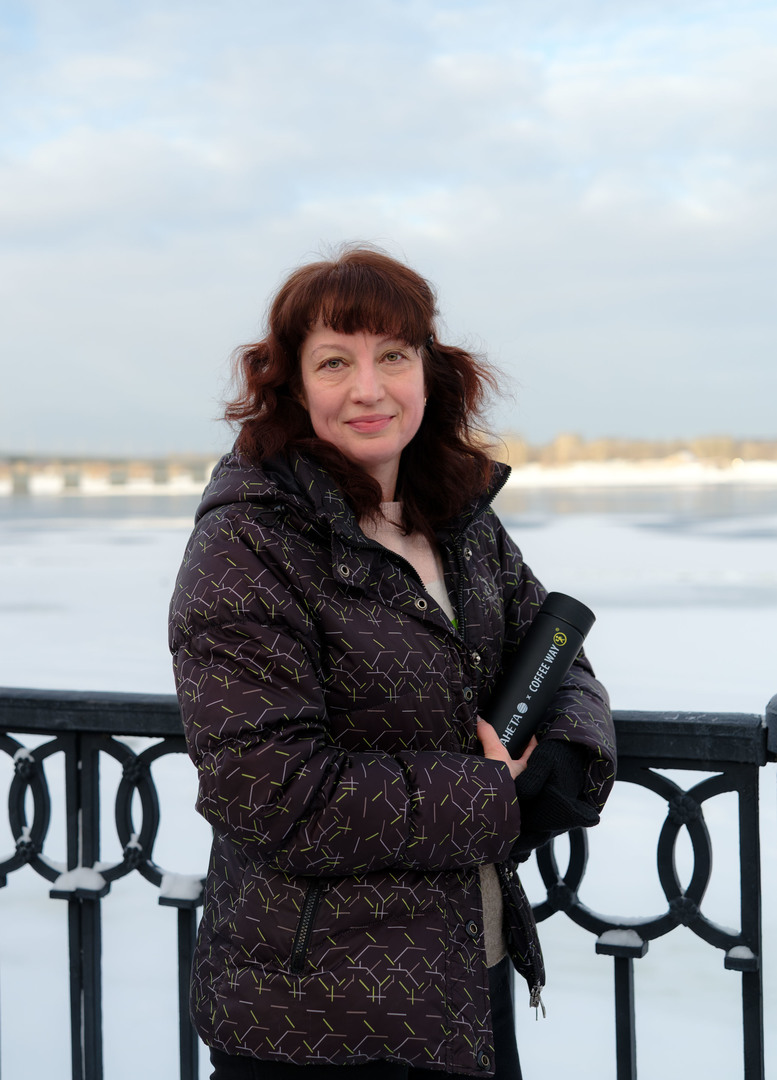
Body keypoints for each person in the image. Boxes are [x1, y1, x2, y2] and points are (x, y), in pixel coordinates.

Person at [169, 245, 616, 1079]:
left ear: (428, 373)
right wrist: (489, 793)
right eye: (334, 362)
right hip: (314, 1014)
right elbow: (267, 790)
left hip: (463, 983)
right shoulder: (247, 543)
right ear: (293, 386)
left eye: (393, 357)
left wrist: (560, 758)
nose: (369, 389)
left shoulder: (459, 523)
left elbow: (561, 661)